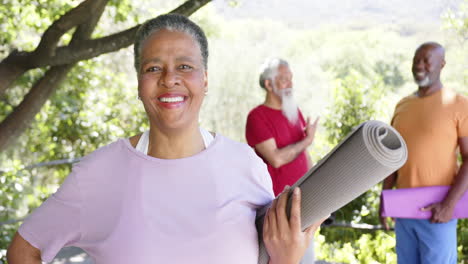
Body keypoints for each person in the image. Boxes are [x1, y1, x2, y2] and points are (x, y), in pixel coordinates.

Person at [7, 14, 323, 264]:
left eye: (185, 67)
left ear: (205, 79)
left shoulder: (246, 166)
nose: (169, 79)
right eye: (153, 67)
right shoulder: (98, 174)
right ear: (139, 84)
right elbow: (23, 251)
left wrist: (286, 260)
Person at [379, 42, 468, 264]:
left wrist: (448, 205)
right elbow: (392, 158)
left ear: (442, 64)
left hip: (438, 211)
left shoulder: (458, 104)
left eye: (426, 60)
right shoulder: (402, 106)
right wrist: (385, 197)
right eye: (416, 60)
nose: (420, 65)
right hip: (403, 209)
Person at [246, 58, 318, 263]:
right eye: (284, 79)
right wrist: (307, 141)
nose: (290, 84)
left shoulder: (294, 113)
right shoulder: (257, 117)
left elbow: (304, 155)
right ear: (268, 84)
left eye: (291, 78)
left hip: (304, 207)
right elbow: (276, 159)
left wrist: (316, 186)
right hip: (277, 211)